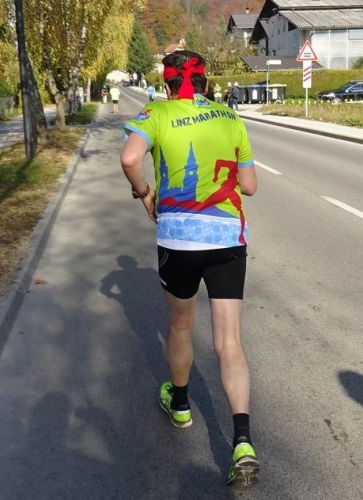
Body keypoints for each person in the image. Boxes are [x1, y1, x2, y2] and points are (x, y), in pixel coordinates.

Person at [120, 50, 260, 486]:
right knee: (229, 341)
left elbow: (130, 159)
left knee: (180, 325)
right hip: (227, 240)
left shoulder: (156, 113)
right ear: (206, 83)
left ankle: (180, 405)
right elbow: (250, 186)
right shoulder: (230, 116)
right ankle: (242, 442)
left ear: (167, 85)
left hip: (178, 239)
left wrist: (144, 193)